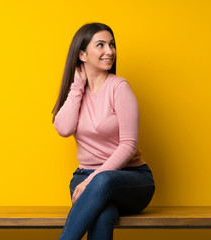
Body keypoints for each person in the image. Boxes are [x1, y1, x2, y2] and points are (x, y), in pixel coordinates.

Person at [52, 22, 156, 240]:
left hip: (131, 179)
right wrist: (77, 86)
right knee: (103, 213)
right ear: (82, 54)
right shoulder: (78, 93)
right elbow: (63, 128)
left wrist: (93, 181)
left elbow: (129, 145)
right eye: (100, 45)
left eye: (111, 45)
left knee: (103, 181)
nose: (110, 51)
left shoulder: (119, 88)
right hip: (85, 177)